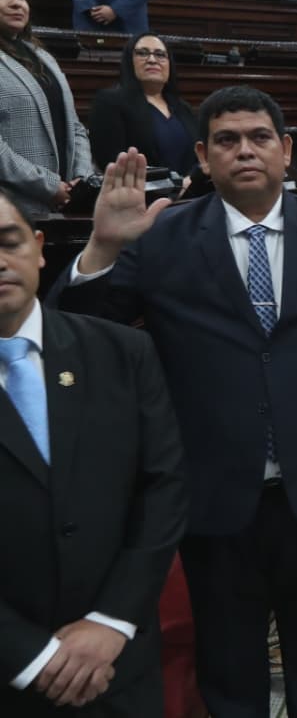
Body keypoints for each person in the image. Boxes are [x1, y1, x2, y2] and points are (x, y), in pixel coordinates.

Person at [49, 86, 297, 718]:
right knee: (228, 660)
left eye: (259, 137)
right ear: (203, 156)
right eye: (227, 140)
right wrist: (103, 249)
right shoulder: (162, 235)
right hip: (212, 488)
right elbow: (80, 337)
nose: (244, 151)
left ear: (285, 149)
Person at [0, 185, 186, 718]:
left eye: (9, 242)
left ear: (39, 248)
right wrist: (32, 657)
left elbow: (163, 486)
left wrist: (112, 620)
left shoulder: (122, 352)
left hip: (119, 663)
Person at [0, 0, 91, 217]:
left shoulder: (43, 57)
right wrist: (49, 186)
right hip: (12, 210)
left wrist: (81, 179)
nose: (16, 3)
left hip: (64, 207)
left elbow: (74, 126)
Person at [88, 33, 197, 176]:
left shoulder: (184, 108)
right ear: (129, 61)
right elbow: (111, 161)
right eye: (142, 53)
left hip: (189, 190)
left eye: (160, 54)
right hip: (139, 188)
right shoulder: (109, 103)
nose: (152, 60)